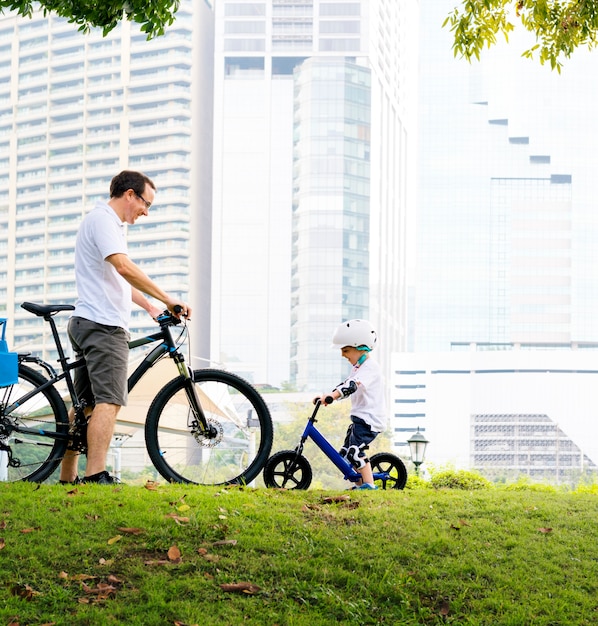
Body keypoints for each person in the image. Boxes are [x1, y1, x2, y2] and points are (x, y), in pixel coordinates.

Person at [59, 170, 191, 485]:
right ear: (130, 194)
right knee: (110, 400)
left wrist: (149, 306)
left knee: (86, 405)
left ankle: (68, 477)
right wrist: (168, 298)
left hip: (89, 320)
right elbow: (123, 267)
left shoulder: (108, 224)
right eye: (146, 203)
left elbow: (116, 277)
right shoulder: (104, 220)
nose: (146, 211)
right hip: (103, 326)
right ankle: (96, 475)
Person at [315, 319, 386, 490]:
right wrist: (328, 396)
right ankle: (359, 485)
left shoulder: (370, 368)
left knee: (355, 452)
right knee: (345, 454)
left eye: (346, 350)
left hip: (369, 421)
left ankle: (369, 486)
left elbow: (352, 386)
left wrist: (333, 396)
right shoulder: (358, 368)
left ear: (360, 346)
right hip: (359, 419)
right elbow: (346, 384)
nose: (342, 355)